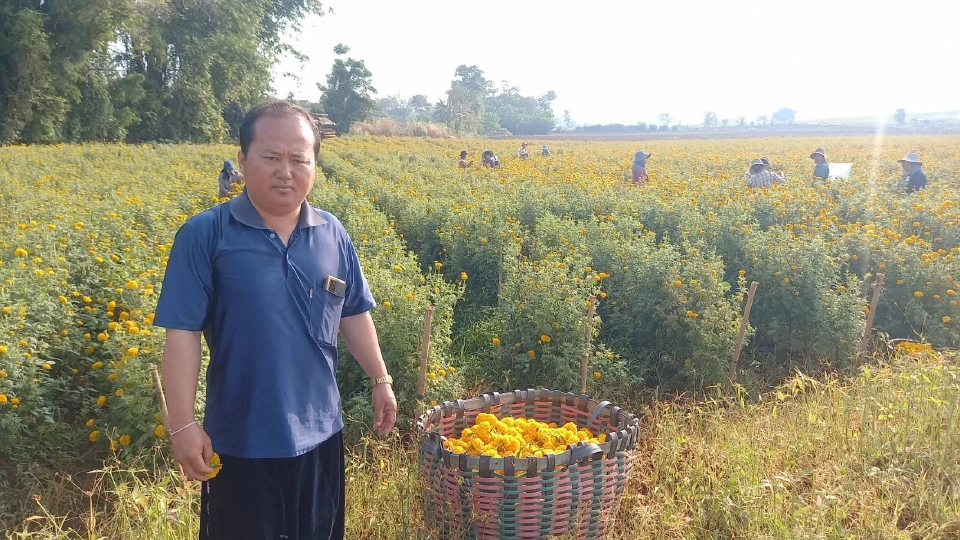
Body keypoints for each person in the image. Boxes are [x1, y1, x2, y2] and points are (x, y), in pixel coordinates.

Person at [156, 100, 397, 540]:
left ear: (314, 166)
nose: (285, 170)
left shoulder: (331, 233)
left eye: (298, 159)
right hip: (241, 438)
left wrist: (381, 379)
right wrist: (183, 424)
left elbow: (353, 311)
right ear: (243, 161)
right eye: (271, 157)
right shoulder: (206, 234)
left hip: (322, 433)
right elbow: (183, 333)